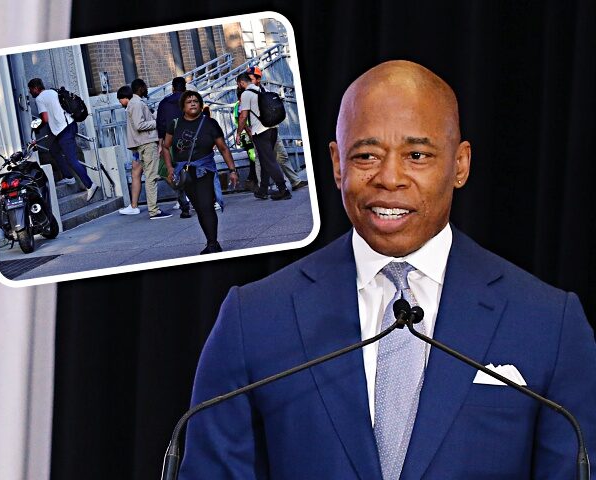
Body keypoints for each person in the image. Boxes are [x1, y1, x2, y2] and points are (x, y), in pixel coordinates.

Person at [179, 60, 596, 478]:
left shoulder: (549, 322)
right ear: (338, 164)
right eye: (366, 156)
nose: (389, 178)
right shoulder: (252, 318)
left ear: (460, 164)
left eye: (417, 155)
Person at [162, 91, 238, 254]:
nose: (193, 103)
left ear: (201, 104)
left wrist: (232, 170)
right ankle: (211, 242)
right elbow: (165, 146)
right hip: (185, 173)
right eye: (189, 101)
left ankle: (212, 243)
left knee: (206, 206)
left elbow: (223, 148)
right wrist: (170, 168)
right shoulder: (175, 124)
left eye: (196, 101)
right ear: (183, 106)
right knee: (199, 207)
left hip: (205, 170)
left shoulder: (209, 123)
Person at [27, 78, 99, 201]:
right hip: (67, 126)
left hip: (63, 130)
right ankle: (68, 176)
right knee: (54, 150)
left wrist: (34, 127)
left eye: (30, 90)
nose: (30, 93)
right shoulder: (53, 92)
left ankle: (90, 185)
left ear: (35, 88)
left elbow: (44, 118)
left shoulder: (40, 99)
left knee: (72, 160)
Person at [246, 66, 308, 191]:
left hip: (271, 129)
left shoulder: (264, 90)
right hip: (259, 132)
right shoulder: (246, 93)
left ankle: (294, 181)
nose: (248, 81)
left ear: (258, 79)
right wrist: (249, 132)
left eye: (251, 78)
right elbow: (242, 116)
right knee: (261, 160)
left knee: (281, 156)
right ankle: (263, 189)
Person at [117, 80, 171, 219]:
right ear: (140, 88)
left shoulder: (136, 103)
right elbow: (139, 125)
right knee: (152, 177)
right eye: (145, 87)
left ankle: (156, 208)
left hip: (144, 143)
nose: (147, 89)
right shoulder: (135, 103)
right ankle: (154, 210)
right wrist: (156, 122)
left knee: (152, 175)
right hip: (146, 143)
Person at [236, 73, 291, 201]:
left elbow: (243, 116)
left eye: (238, 84)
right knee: (265, 159)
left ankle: (283, 190)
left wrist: (238, 133)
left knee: (269, 161)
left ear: (241, 83)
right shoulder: (262, 89)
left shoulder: (245, 94)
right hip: (272, 128)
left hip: (260, 132)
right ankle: (263, 190)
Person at [157, 76, 191, 218]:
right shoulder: (190, 100)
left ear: (172, 87)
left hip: (169, 143)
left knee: (170, 172)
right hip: (188, 140)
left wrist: (161, 143)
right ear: (185, 88)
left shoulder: (164, 103)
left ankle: (184, 204)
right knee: (192, 170)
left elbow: (160, 125)